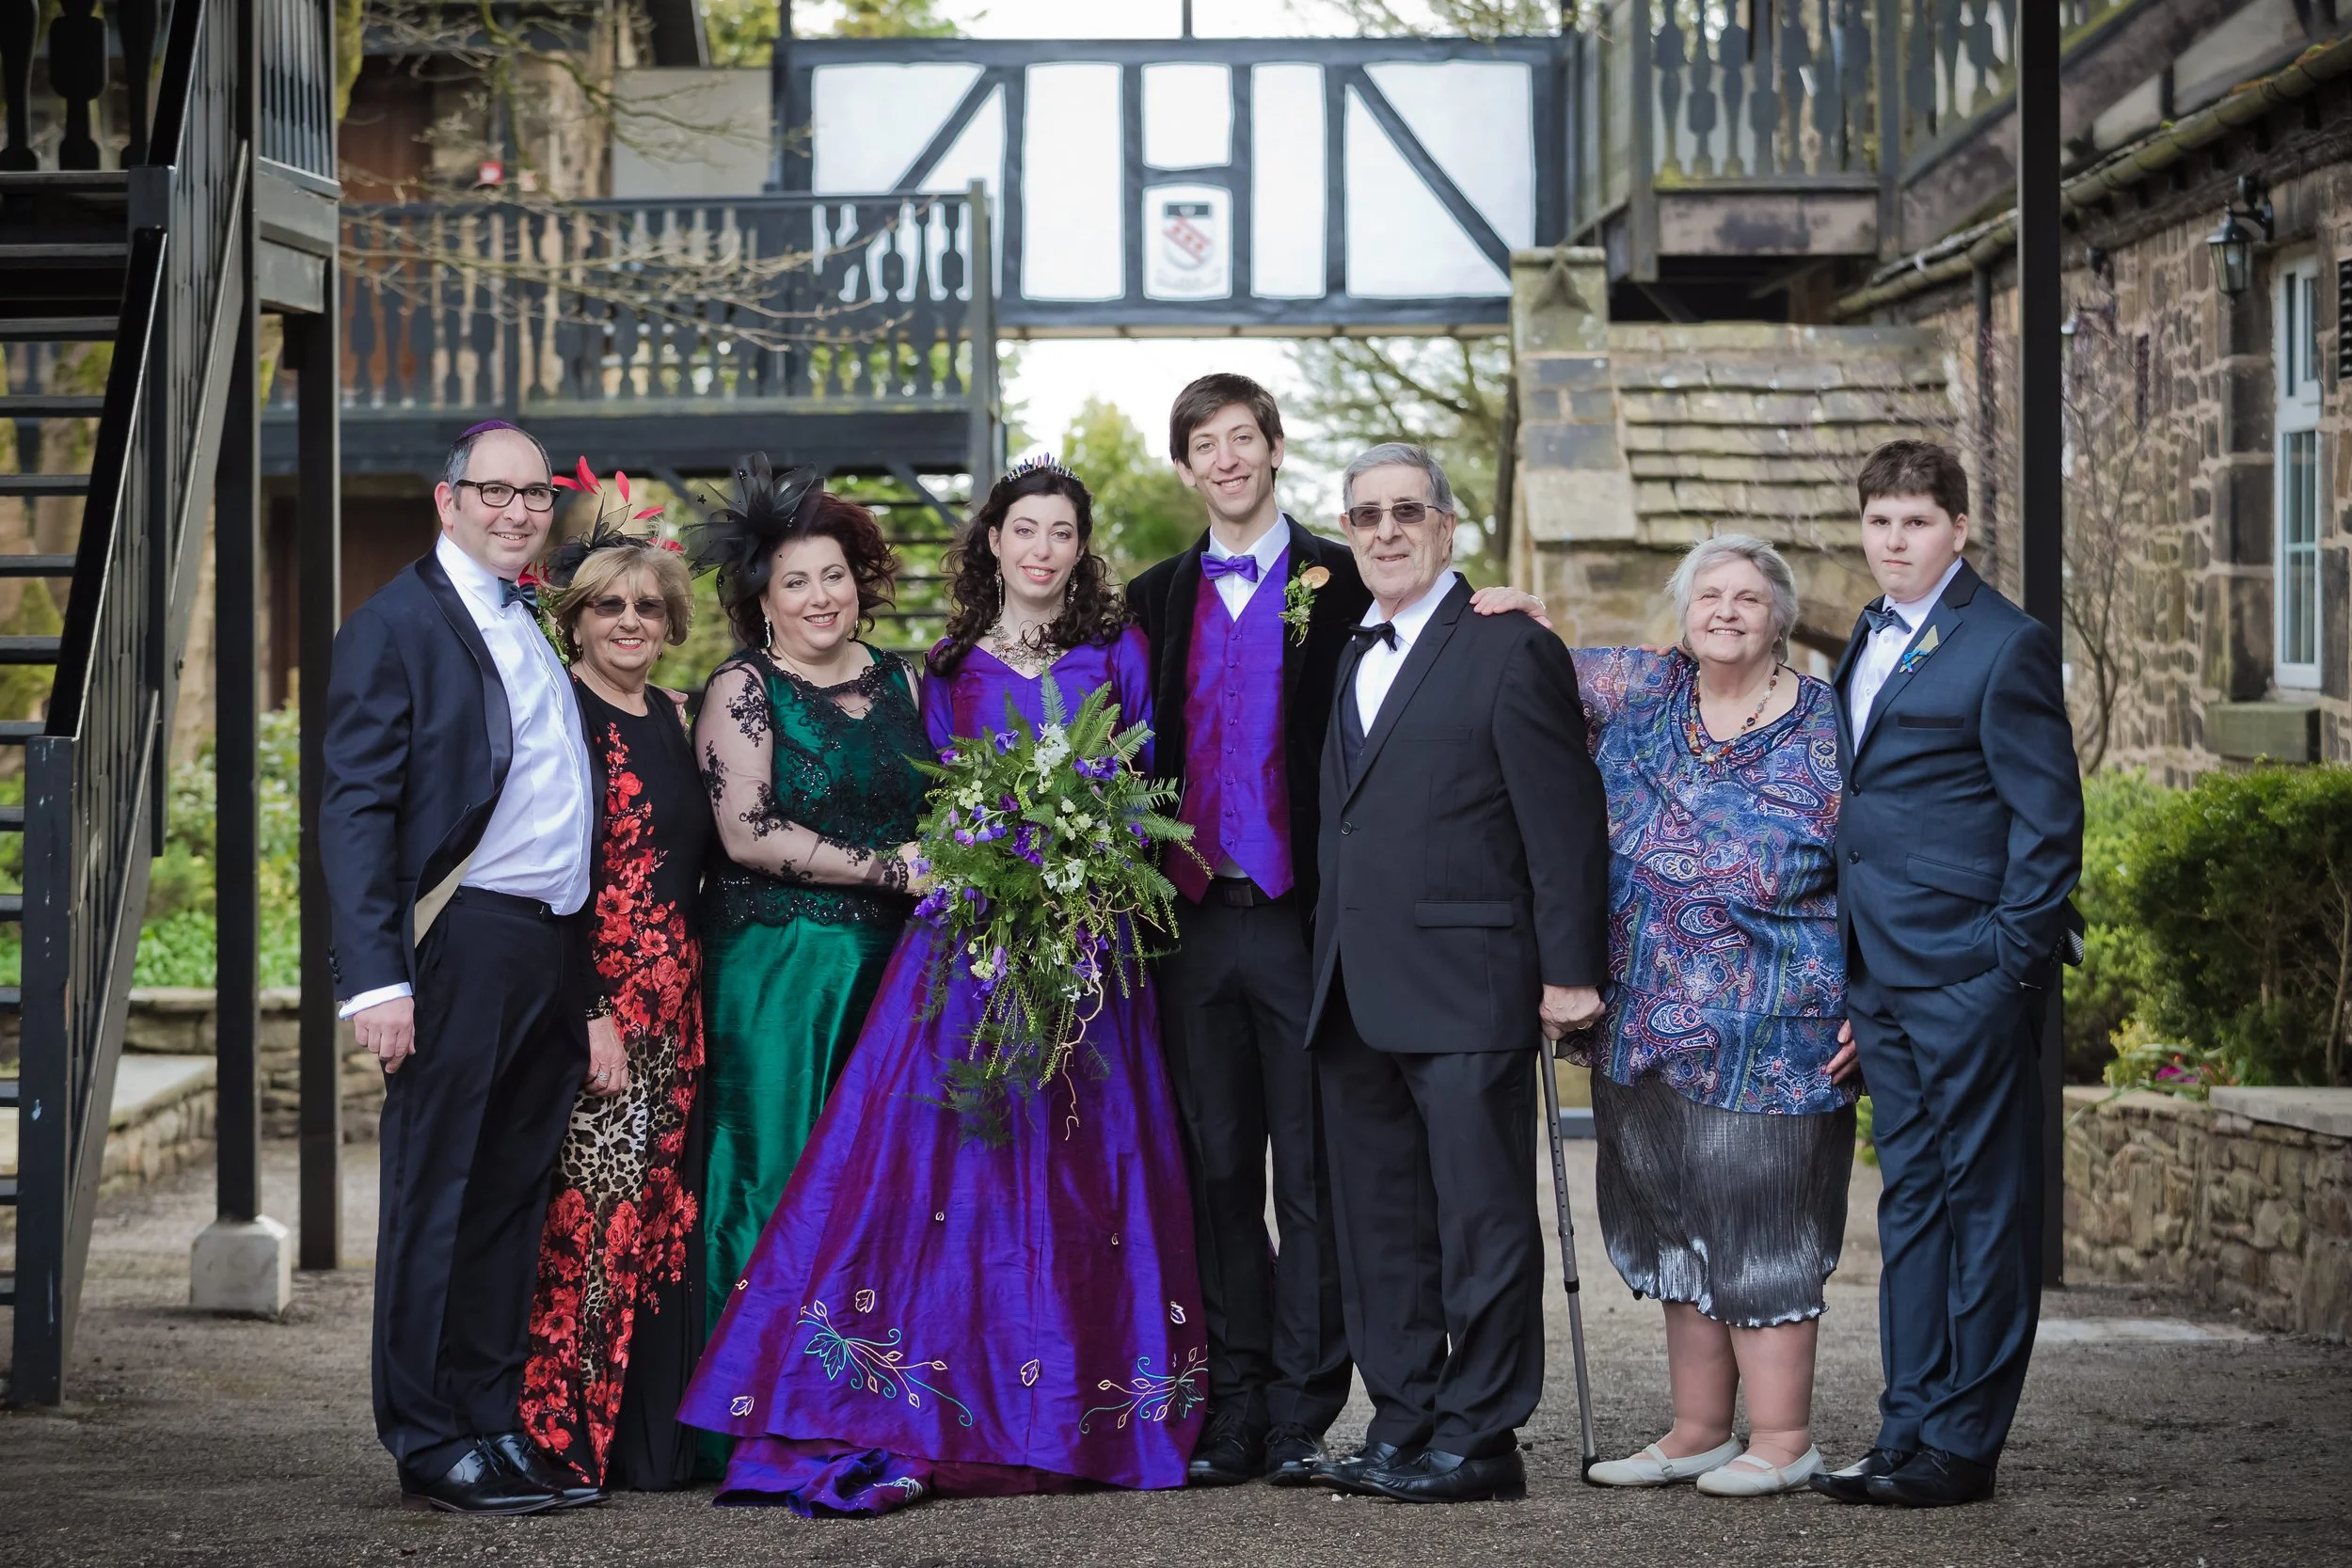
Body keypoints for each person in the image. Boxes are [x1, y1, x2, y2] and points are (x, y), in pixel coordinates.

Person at [678, 457, 1205, 1513]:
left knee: (1081, 1161)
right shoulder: (948, 667)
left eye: (1062, 531)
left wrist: (1094, 868)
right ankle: (930, 1391)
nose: (1042, 549)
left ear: (1080, 546)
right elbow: (936, 805)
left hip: (1087, 941)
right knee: (949, 1164)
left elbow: (1149, 782)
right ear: (993, 542)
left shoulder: (1115, 651)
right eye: (1025, 529)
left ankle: (1076, 1398)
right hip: (962, 943)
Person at [1125, 375, 1544, 1486]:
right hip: (1190, 922)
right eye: (1202, 444)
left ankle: (1309, 1406)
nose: (1224, 460)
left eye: (1242, 439)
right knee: (1217, 1167)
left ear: (1273, 451)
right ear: (1185, 467)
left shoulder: (1348, 575)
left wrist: (1516, 606)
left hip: (1314, 922)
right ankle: (1234, 1399)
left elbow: (1447, 644)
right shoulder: (1155, 595)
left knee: (1318, 1176)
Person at [1303, 442, 1610, 1505]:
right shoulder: (1353, 648)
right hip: (1354, 988)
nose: (1384, 531)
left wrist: (1570, 971)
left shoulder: (1510, 646)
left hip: (1469, 979)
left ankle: (1480, 1435)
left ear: (1444, 525)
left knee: (1480, 1221)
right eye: (1363, 516)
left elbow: (1561, 822)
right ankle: (1404, 1418)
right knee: (1380, 1226)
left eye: (1404, 512)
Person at [323, 420, 604, 1514]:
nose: (517, 510)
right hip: (460, 937)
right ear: (447, 501)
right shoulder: (394, 623)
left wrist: (578, 979)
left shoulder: (526, 612)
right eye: (494, 491)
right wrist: (375, 978)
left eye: (534, 494)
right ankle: (427, 1436)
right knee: (436, 1194)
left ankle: (492, 1422)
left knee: (507, 1199)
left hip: (544, 940)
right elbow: (354, 806)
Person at [1811, 440, 2082, 1510]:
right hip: (1879, 972)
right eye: (1879, 522)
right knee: (1913, 1202)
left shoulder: (2003, 643)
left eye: (1915, 521)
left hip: (1968, 970)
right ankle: (1905, 1425)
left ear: (1957, 528)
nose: (1894, 541)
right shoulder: (1868, 635)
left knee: (1984, 1207)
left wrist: (2006, 964)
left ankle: (1964, 1443)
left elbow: (2047, 821)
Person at [1570, 535, 1856, 1498]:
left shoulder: (1834, 723)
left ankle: (1782, 1435)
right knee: (1672, 1222)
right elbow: (1522, 663)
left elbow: (1887, 864)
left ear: (1779, 615)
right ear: (1682, 610)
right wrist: (1508, 606)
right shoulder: (1643, 692)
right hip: (1643, 1018)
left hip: (1776, 1031)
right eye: (1707, 596)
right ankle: (1695, 1428)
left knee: (1761, 1230)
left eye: (1746, 596)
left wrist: (1879, 998)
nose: (1724, 610)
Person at [688, 456, 930, 1395]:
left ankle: (870, 1390)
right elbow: (744, 832)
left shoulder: (905, 682)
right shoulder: (743, 688)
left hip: (897, 972)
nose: (820, 596)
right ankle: (756, 1392)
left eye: (834, 573)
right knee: (777, 1172)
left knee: (886, 1181)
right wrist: (890, 869)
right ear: (764, 599)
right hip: (781, 971)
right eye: (796, 581)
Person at [518, 520, 711, 1492]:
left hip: (680, 1006)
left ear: (670, 618)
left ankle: (645, 1443)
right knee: (589, 1224)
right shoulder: (561, 720)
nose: (630, 619)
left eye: (646, 603)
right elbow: (558, 879)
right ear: (577, 619)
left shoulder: (676, 715)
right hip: (599, 1005)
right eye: (609, 604)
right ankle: (561, 1440)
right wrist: (590, 1008)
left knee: (662, 1219)